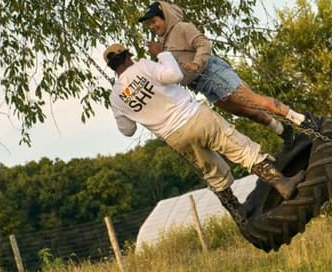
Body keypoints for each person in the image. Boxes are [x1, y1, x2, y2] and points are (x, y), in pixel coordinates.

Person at [103, 42, 305, 246]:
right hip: (194, 116)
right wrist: (162, 54)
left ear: (112, 67)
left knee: (212, 172)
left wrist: (138, 108)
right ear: (128, 56)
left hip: (175, 137)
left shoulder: (116, 97)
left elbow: (128, 130)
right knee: (241, 148)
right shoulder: (144, 66)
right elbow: (175, 75)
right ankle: (281, 183)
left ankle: (241, 217)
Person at [138, 0, 319, 146]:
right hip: (201, 85)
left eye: (154, 21)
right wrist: (160, 55)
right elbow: (171, 71)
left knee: (253, 101)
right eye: (149, 23)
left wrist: (196, 63)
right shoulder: (163, 43)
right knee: (245, 111)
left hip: (211, 72)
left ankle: (303, 120)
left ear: (165, 16)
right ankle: (283, 130)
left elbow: (203, 44)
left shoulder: (182, 28)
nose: (152, 26)